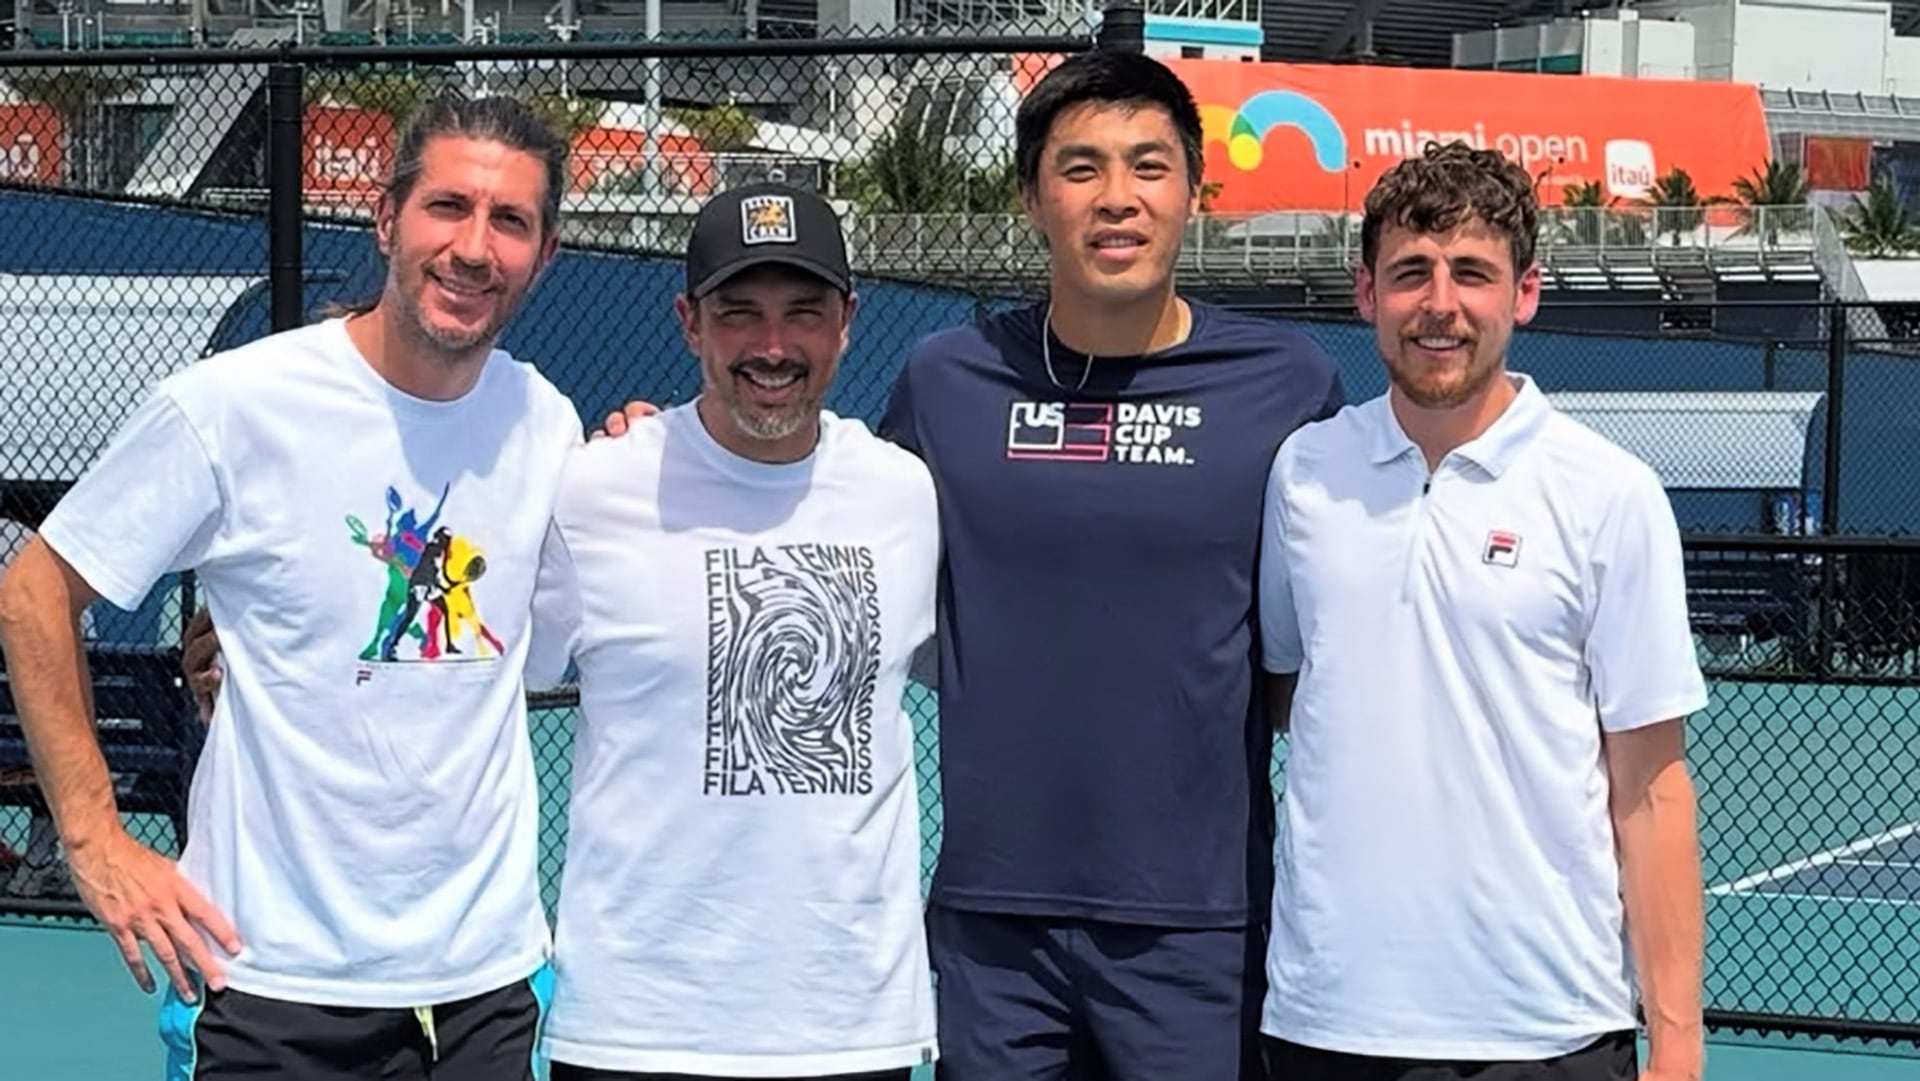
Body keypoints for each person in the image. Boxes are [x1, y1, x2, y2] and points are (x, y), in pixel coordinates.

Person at [0, 92, 584, 1079]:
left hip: (486, 984)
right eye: (448, 207)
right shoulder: (233, 408)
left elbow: (528, 653)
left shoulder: (547, 423)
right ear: (387, 218)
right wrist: (94, 836)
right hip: (268, 980)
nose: (474, 247)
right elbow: (33, 591)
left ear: (546, 253)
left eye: (510, 220)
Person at [879, 50, 1343, 1081]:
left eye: (1149, 166)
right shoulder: (946, 380)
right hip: (994, 924)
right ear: (1032, 198)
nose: (1117, 197)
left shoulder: (1286, 383)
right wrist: (663, 440)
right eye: (1080, 168)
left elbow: (1325, 625)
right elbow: (829, 512)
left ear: (1195, 192)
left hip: (1200, 922)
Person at [1255, 140, 1707, 1081]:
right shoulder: (1304, 473)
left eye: (1471, 272)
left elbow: (1651, 787)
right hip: (1326, 1021)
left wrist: (1677, 1041)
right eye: (1410, 272)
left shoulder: (1609, 493)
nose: (1440, 303)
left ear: (1524, 293)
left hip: (1545, 1030)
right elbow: (1289, 688)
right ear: (1366, 293)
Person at [523, 182, 942, 1080]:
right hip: (636, 1027)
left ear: (847, 322)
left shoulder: (906, 495)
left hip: (850, 1025)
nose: (772, 346)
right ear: (689, 323)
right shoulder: (594, 489)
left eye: (803, 312)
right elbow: (475, 674)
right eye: (739, 312)